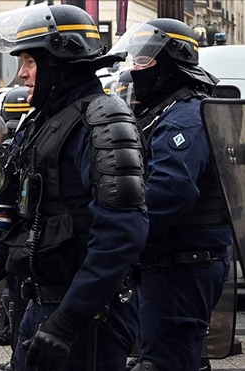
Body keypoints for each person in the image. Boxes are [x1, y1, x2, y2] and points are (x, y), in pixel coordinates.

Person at [0, 4, 149, 370]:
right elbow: (9, 186)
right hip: (41, 302)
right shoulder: (45, 118)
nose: (21, 74)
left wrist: (67, 323)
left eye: (29, 62)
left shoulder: (103, 117)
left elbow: (123, 233)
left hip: (85, 317)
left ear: (61, 59)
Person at [112, 19, 231, 371]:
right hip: (170, 262)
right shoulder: (162, 112)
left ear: (171, 62)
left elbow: (170, 190)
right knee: (174, 356)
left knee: (167, 360)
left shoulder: (183, 117)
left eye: (144, 60)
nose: (134, 69)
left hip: (183, 264)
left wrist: (117, 231)